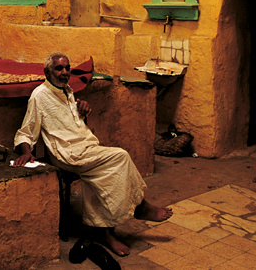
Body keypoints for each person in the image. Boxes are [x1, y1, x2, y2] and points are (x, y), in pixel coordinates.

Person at [13, 52, 172, 257]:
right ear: (47, 72)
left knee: (103, 177)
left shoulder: (67, 91)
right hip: (66, 154)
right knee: (120, 157)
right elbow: (26, 130)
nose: (64, 73)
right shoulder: (40, 96)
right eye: (58, 68)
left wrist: (82, 111)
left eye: (67, 68)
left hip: (85, 148)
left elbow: (74, 124)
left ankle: (103, 232)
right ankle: (140, 206)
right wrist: (26, 152)